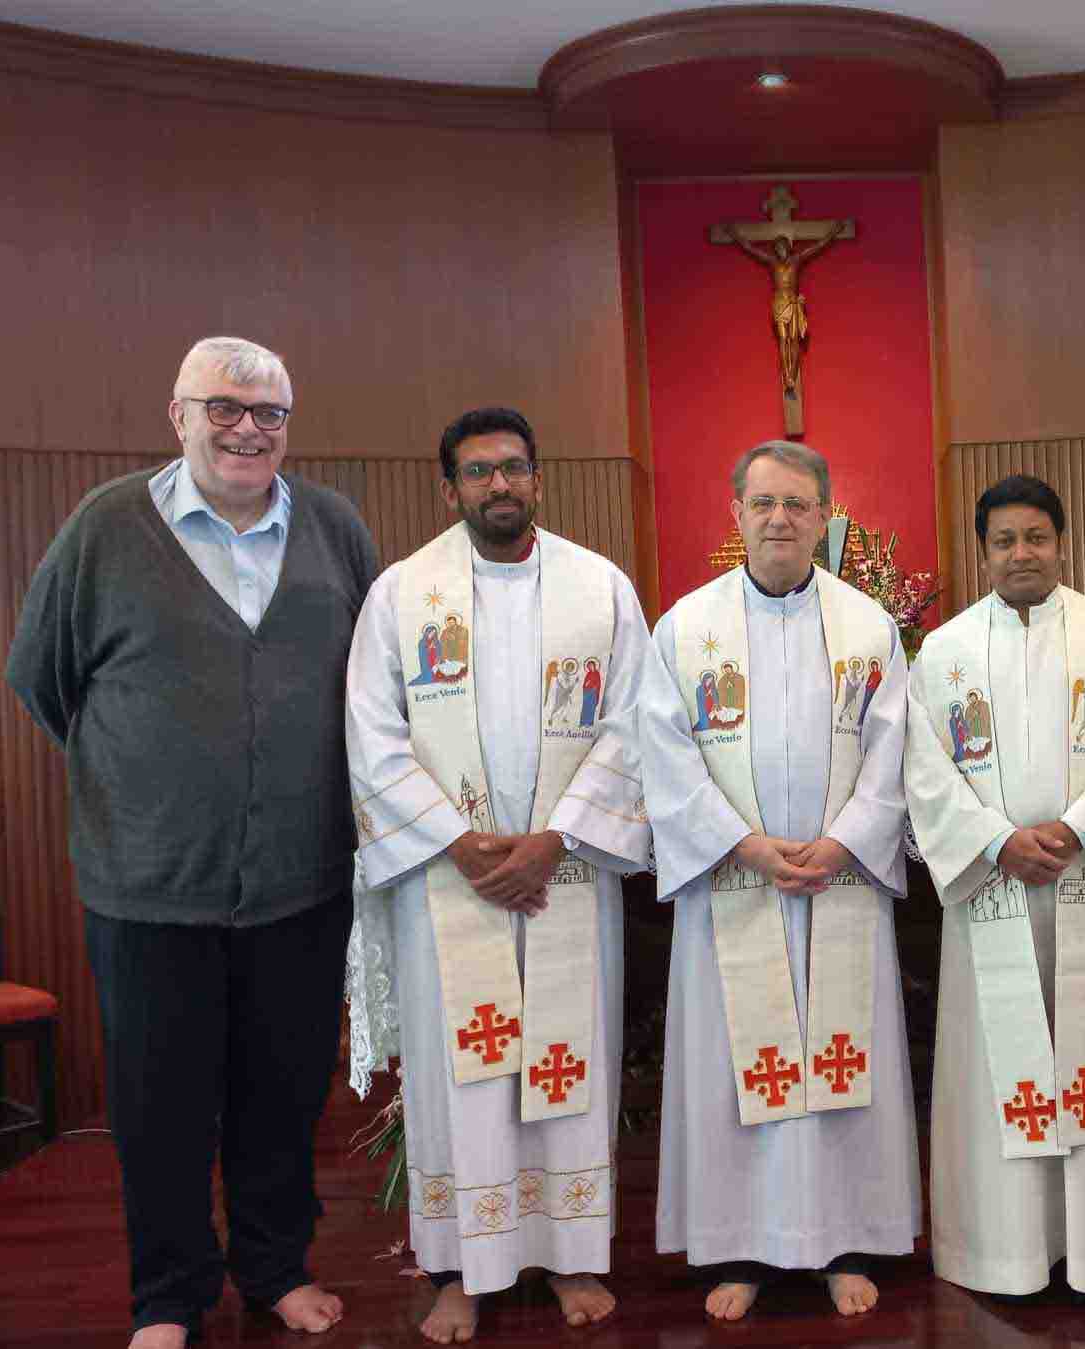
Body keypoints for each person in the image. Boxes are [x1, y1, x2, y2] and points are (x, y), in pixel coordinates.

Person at [6, 337, 377, 1349]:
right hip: (148, 885)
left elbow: (373, 681)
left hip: (302, 880)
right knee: (159, 1107)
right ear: (178, 415)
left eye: (269, 413)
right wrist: (146, 783)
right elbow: (42, 676)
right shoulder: (104, 527)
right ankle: (167, 1297)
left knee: (281, 1095)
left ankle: (275, 1267)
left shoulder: (334, 529)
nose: (247, 429)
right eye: (224, 408)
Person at [344, 407, 650, 1344]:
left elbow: (635, 725)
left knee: (566, 1063)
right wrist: (457, 841)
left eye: (514, 467)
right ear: (450, 490)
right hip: (448, 880)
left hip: (567, 871)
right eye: (478, 472)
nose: (499, 485)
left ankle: (569, 1257)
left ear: (538, 478)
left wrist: (557, 837)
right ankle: (460, 1272)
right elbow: (372, 734)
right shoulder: (402, 595)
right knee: (461, 1080)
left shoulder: (600, 590)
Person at [639, 440, 919, 1321]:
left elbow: (895, 752)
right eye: (763, 503)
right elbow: (663, 756)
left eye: (798, 504)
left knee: (842, 1059)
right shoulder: (684, 629)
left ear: (825, 515)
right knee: (737, 1065)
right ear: (736, 514)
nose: (780, 519)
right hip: (736, 884)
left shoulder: (868, 628)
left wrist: (844, 841)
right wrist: (742, 844)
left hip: (840, 882)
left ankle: (844, 1242)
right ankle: (742, 1246)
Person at [905, 473, 1085, 1298]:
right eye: (1003, 540)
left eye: (1035, 536)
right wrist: (995, 840)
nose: (1021, 553)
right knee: (1002, 1069)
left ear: (1060, 544)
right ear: (983, 552)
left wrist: (1078, 828)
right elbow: (921, 769)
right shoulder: (944, 653)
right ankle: (1005, 1248)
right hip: (992, 885)